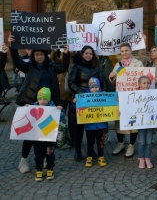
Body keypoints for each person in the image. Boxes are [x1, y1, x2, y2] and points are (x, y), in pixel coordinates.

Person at [8, 34, 70, 173]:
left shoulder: (51, 66)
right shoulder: (29, 66)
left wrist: (66, 54)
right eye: (37, 54)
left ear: (46, 55)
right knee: (30, 134)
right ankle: (23, 160)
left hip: (48, 106)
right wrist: (12, 47)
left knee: (45, 133)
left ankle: (41, 159)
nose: (40, 57)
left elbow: (63, 67)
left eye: (42, 54)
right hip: (32, 105)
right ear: (33, 56)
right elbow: (17, 62)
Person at [68, 46, 107, 161]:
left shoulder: (97, 65)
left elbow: (103, 80)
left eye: (91, 53)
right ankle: (78, 151)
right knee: (78, 128)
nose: (89, 55)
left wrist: (103, 91)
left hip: (95, 102)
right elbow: (71, 82)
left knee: (93, 128)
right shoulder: (76, 65)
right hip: (80, 101)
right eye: (86, 53)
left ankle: (91, 150)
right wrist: (83, 94)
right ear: (82, 54)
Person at [109, 42, 144, 156]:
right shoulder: (118, 65)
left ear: (130, 51)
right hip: (121, 97)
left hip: (134, 97)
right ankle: (120, 143)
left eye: (126, 50)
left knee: (134, 121)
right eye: (122, 51)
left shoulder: (138, 63)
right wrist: (111, 76)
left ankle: (131, 145)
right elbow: (113, 79)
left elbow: (144, 77)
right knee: (119, 120)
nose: (124, 53)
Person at [29, 87, 63, 181]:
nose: (42, 101)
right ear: (37, 99)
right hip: (37, 137)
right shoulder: (34, 108)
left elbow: (62, 118)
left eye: (45, 99)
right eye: (40, 99)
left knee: (50, 153)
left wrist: (60, 111)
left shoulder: (53, 108)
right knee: (38, 154)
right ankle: (39, 169)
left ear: (49, 99)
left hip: (49, 137)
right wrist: (26, 109)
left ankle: (50, 168)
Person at [73, 77, 107, 168]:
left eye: (96, 87)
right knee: (90, 142)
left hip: (101, 125)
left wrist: (115, 100)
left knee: (101, 142)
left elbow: (111, 105)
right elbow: (78, 108)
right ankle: (89, 157)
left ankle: (101, 156)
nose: (94, 89)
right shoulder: (84, 97)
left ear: (99, 87)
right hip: (90, 126)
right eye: (92, 87)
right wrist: (75, 102)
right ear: (89, 88)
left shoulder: (104, 96)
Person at [137, 75, 154, 169]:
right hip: (141, 122)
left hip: (151, 122)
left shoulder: (154, 95)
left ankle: (147, 158)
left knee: (149, 141)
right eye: (144, 83)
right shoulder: (135, 95)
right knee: (142, 141)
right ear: (139, 84)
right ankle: (141, 158)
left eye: (148, 83)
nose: (146, 85)